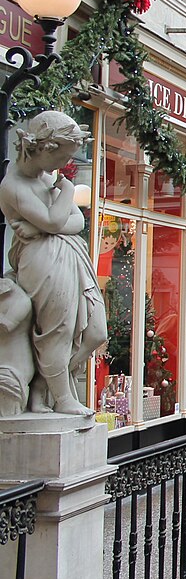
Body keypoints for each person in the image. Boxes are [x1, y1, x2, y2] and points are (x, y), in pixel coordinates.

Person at [0, 111, 106, 416]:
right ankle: (61, 398)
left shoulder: (47, 178)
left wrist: (47, 225)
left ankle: (42, 387)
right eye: (62, 156)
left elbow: (74, 220)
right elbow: (57, 217)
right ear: (45, 148)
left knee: (96, 331)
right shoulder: (14, 186)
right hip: (42, 260)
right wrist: (65, 197)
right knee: (56, 330)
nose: (64, 165)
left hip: (70, 253)